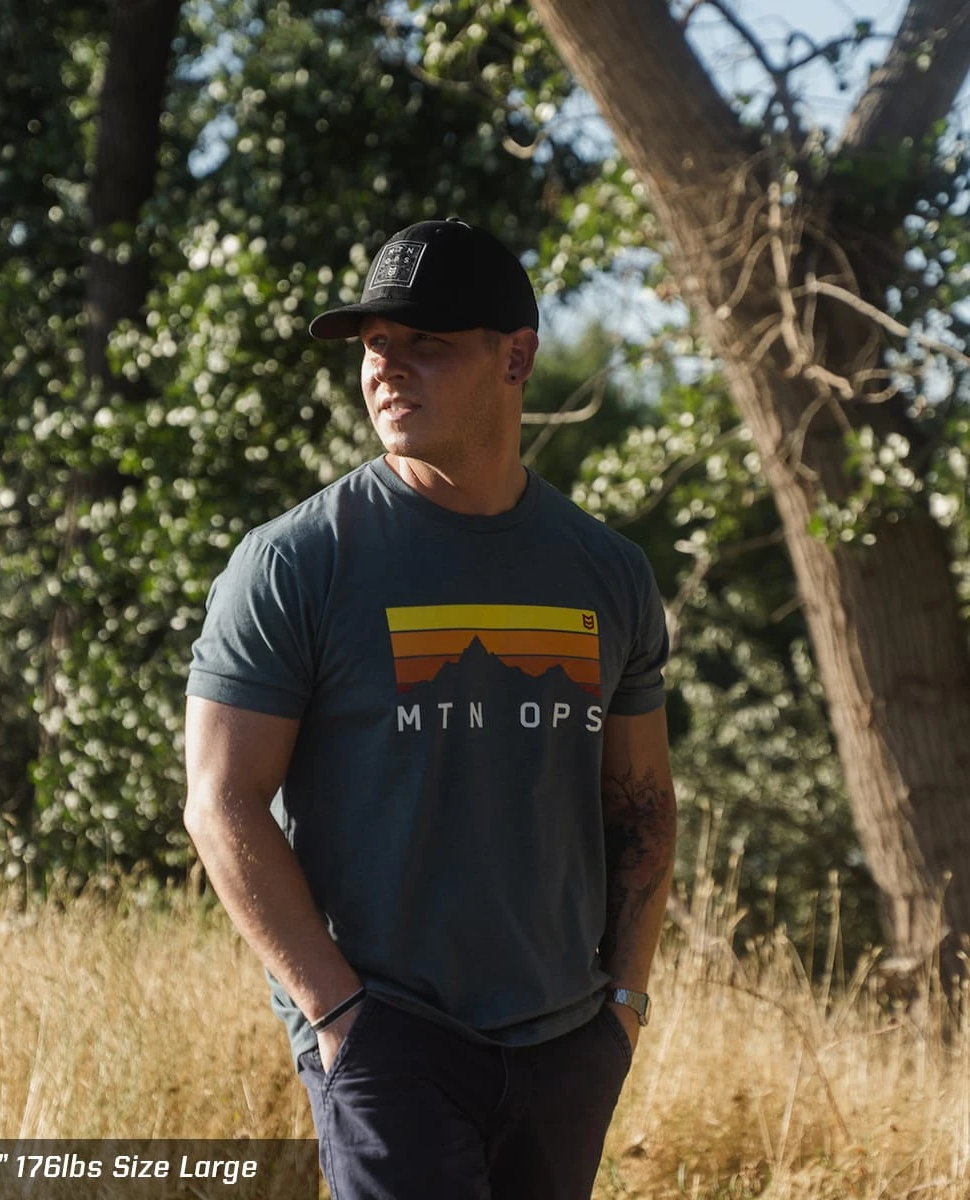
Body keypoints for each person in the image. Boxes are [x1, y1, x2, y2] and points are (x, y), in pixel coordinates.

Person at [183, 217, 677, 1199]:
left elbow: (642, 804)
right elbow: (221, 803)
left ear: (516, 357)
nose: (388, 368)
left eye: (427, 343)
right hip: (390, 1037)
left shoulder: (608, 571)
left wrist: (624, 1004)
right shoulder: (295, 563)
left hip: (567, 1045)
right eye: (375, 344)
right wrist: (336, 1015)